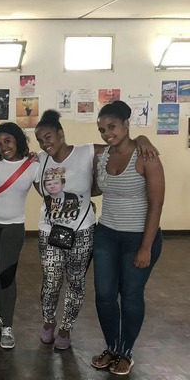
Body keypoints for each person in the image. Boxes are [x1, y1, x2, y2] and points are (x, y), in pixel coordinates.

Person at [33, 109, 158, 351]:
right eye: (40, 140)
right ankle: (48, 321)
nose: (45, 143)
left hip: (82, 230)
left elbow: (120, 146)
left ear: (61, 133)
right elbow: (40, 187)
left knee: (76, 282)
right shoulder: (39, 160)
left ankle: (66, 328)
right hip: (50, 230)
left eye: (48, 137)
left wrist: (142, 138)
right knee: (51, 281)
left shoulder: (88, 152)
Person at [91, 101, 164, 375]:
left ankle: (126, 351)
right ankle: (112, 347)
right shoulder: (103, 156)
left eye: (112, 126)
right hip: (106, 234)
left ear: (126, 124)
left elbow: (156, 205)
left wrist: (146, 247)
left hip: (138, 237)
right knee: (104, 295)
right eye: (102, 129)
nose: (107, 133)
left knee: (131, 295)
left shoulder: (146, 156)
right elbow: (96, 186)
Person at [0, 122, 39, 349]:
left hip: (14, 226)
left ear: (18, 140)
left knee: (7, 273)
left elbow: (47, 191)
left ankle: (8, 326)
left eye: (7, 141)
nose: (3, 147)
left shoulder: (33, 165)